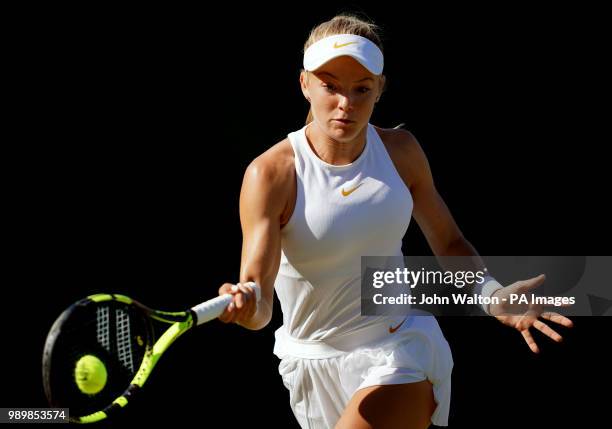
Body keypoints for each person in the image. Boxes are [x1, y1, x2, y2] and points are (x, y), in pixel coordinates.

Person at [216, 14, 574, 429]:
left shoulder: (401, 152)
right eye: (330, 86)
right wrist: (245, 306)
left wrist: (492, 295)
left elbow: (450, 243)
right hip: (311, 363)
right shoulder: (270, 174)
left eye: (361, 89)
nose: (345, 104)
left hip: (400, 344)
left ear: (379, 90)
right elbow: (260, 306)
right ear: (304, 85)